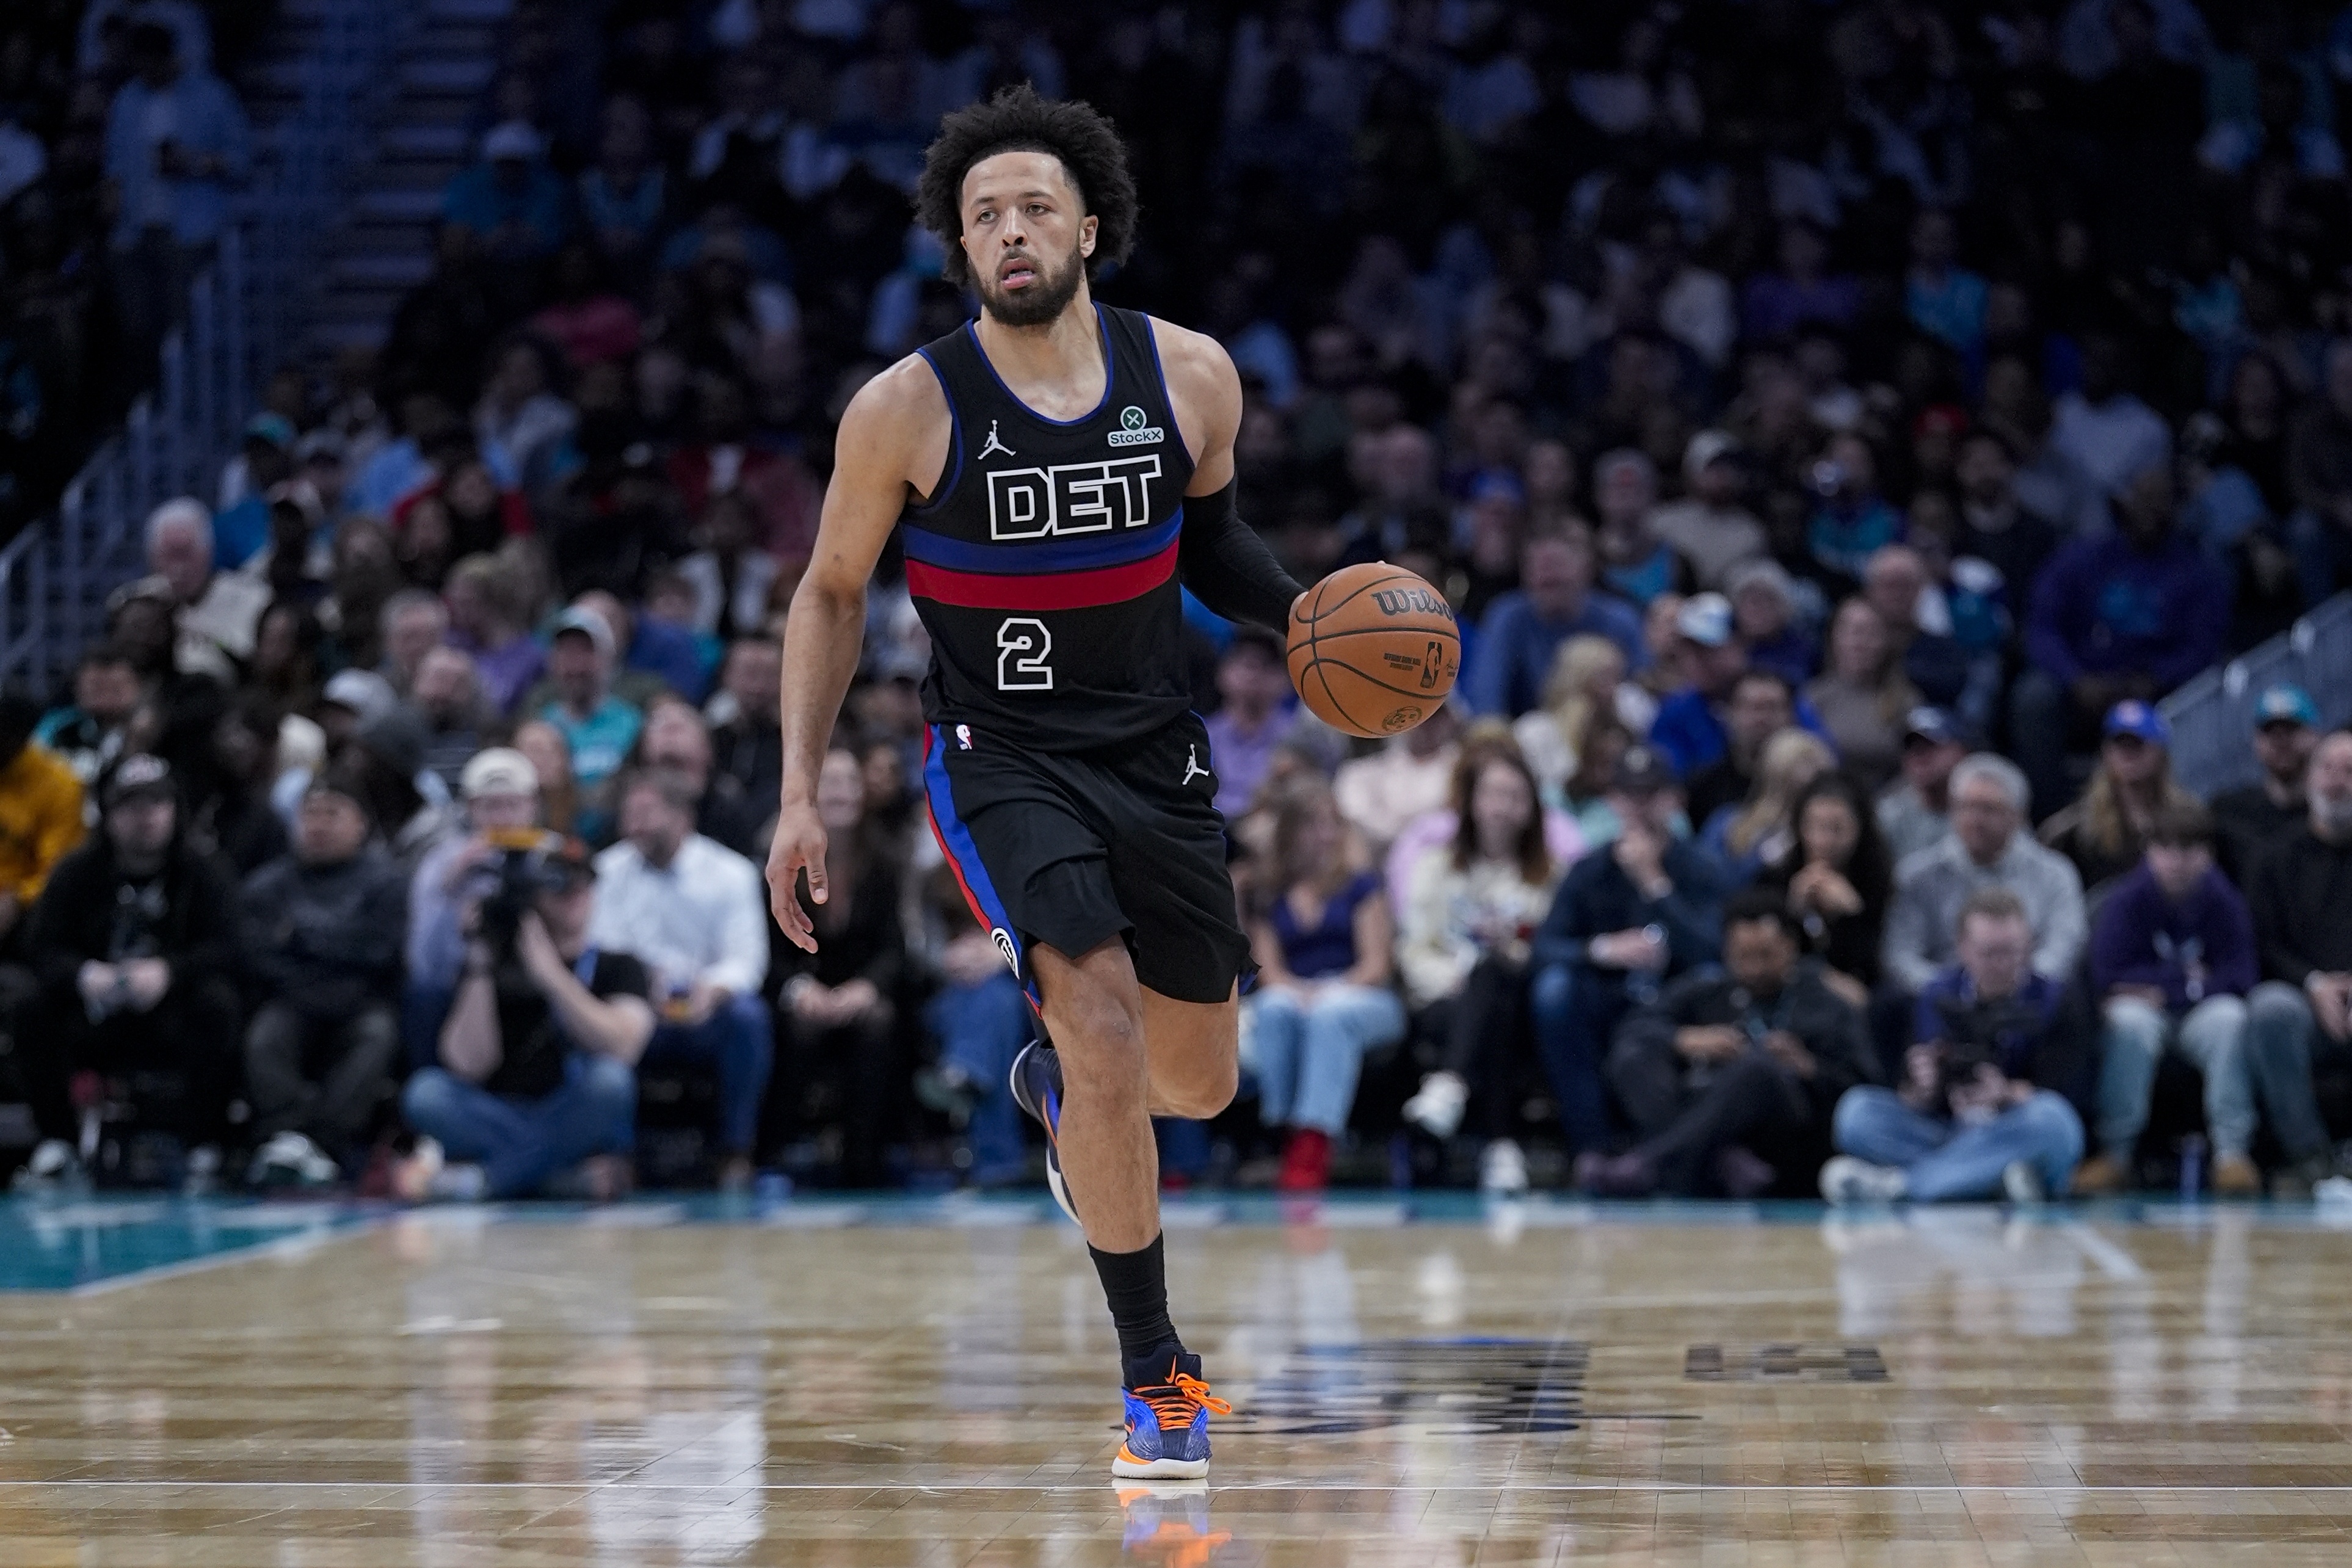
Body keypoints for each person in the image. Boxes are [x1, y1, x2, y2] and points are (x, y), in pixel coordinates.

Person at [766, 87, 1314, 1477]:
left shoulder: (1189, 374)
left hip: (1153, 749)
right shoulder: (905, 407)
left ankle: (1059, 1092)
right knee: (1105, 1028)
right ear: (960, 248)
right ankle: (1156, 1378)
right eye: (983, 216)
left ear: (1088, 228)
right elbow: (830, 591)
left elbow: (1212, 543)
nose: (1009, 231)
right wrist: (796, 792)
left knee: (1198, 1083)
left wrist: (1306, 618)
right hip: (1001, 757)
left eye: (1032, 208)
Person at [9, 757, 241, 1191]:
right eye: (131, 807)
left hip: (172, 1009)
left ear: (174, 811)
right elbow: (41, 946)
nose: (144, 818)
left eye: (156, 805)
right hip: (95, 1008)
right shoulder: (75, 872)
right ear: (109, 816)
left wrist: (170, 972)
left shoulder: (205, 871)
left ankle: (203, 1142)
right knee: (30, 1007)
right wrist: (82, 975)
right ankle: (59, 1141)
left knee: (219, 1004)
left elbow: (229, 947)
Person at [396, 836, 656, 1202]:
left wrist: (552, 976)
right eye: (559, 885)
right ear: (534, 896)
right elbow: (467, 1064)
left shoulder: (620, 966)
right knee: (426, 1093)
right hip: (499, 1111)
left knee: (611, 1083)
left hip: (570, 1109)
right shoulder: (494, 963)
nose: (575, 895)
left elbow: (624, 1047)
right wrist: (481, 959)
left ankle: (489, 1180)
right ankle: (556, 1179)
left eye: (584, 885)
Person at [1580, 890, 1876, 1197]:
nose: (1755, 969)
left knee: (1757, 1069)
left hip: (1788, 1131)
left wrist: (1808, 1067)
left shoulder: (1827, 1005)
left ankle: (1651, 1166)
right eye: (1743, 957)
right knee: (1635, 1057)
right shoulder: (1706, 991)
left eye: (1765, 955)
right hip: (1703, 1106)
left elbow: (1865, 1088)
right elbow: (1635, 1028)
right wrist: (1683, 1039)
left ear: (1791, 947)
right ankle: (1717, 1162)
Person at [1823, 889, 2089, 1203]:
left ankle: (1903, 1185)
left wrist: (2004, 1093)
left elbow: (2066, 1094)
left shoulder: (2057, 1001)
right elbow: (1912, 1092)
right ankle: (1987, 1179)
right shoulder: (1936, 996)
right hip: (1945, 1127)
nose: (2002, 964)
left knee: (2056, 1124)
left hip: (2012, 1126)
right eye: (1989, 953)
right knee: (1856, 1113)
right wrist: (1921, 1086)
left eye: (2012, 952)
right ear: (1963, 948)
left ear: (2029, 947)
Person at [1530, 745, 1727, 1159]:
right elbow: (1544, 948)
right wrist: (1601, 950)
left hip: (1677, 999)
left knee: (1713, 984)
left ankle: (1693, 1154)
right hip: (1608, 994)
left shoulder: (1701, 867)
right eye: (1629, 795)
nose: (1639, 807)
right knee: (1555, 991)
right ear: (1613, 801)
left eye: (1650, 794)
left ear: (1674, 799)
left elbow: (1715, 952)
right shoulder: (1591, 870)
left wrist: (1655, 886)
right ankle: (1592, 1148)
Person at [2011, 459, 2230, 820]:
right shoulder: (2080, 558)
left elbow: (2202, 647)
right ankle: (2053, 816)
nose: (2151, 510)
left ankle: (2178, 814)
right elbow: (2042, 628)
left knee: (2205, 692)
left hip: (2156, 690)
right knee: (2033, 698)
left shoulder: (2196, 572)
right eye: (2143, 499)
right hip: (2083, 688)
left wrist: (2156, 677)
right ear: (2122, 503)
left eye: (2161, 501)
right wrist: (2074, 678)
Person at [590, 768, 773, 1190]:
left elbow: (747, 960)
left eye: (646, 814)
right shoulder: (607, 871)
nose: (635, 825)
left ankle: (735, 1152)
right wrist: (641, 987)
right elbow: (601, 949)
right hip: (637, 1012)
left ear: (683, 818)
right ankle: (617, 1153)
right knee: (593, 1018)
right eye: (629, 814)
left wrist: (711, 991)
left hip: (705, 1009)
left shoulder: (731, 873)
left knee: (749, 1017)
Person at [2075, 803, 2265, 1197]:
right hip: (2149, 1012)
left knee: (2230, 1019)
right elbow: (2108, 975)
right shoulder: (2126, 900)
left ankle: (2232, 1154)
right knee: (2129, 1024)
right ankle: (2115, 1153)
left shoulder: (2225, 900)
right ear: (2150, 852)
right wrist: (2188, 981)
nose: (2176, 861)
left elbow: (2242, 975)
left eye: (2188, 849)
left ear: (2207, 855)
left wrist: (2170, 988)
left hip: (2200, 1012)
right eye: (2166, 848)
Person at [1396, 749, 1564, 1194]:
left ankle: (1449, 1086)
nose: (1502, 807)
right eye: (1493, 794)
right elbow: (1414, 949)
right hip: (1444, 999)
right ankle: (1502, 1148)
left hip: (1517, 1000)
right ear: (1471, 801)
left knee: (1494, 979)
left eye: (1515, 796)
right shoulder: (1435, 866)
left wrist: (1510, 956)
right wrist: (1452, 980)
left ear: (1532, 808)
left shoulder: (1550, 877)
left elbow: (1551, 952)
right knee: (1486, 1008)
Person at [238, 774, 407, 1187]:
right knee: (264, 1038)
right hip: (292, 1001)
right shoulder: (266, 885)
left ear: (360, 824)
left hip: (359, 1002)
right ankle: (291, 1134)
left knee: (377, 1036)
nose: (319, 825)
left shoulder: (387, 883)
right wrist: (334, 953)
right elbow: (259, 957)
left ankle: (322, 1143)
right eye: (310, 814)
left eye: (332, 814)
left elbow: (381, 954)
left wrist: (301, 942)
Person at [1244, 783, 1404, 1192]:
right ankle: (1283, 1129)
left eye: (1333, 824)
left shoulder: (1361, 885)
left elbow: (1376, 965)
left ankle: (1312, 1144)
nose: (1326, 835)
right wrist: (1301, 992)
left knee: (1330, 1016)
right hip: (1297, 990)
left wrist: (1329, 990)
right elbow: (1268, 970)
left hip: (1363, 995)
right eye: (1314, 825)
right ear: (1290, 832)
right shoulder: (1269, 893)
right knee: (1273, 1008)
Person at [769, 749, 906, 1188]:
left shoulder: (885, 862)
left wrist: (866, 987)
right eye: (830, 783)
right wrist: (799, 987)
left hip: (859, 990)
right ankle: (776, 1156)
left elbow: (895, 948)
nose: (842, 793)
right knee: (798, 1027)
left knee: (879, 1022)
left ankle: (864, 1162)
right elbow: (768, 951)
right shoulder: (779, 861)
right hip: (802, 988)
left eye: (850, 783)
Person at [2240, 727, 2352, 1196]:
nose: (2336, 781)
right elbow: (2260, 945)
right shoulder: (2274, 857)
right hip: (2304, 1005)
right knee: (2270, 1010)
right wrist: (2314, 984)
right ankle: (2310, 1158)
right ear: (2310, 778)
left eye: (2349, 771)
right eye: (2327, 769)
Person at [1882, 754, 2088, 996]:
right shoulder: (1916, 875)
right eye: (1966, 807)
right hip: (1938, 1000)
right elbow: (1900, 955)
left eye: (1989, 809)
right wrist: (1952, 990)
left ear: (2018, 815)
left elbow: (2065, 945)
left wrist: (2018, 986)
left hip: (2031, 1000)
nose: (1976, 820)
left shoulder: (2055, 873)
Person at [1466, 527, 1644, 716]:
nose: (1548, 574)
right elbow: (1485, 692)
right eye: (1538, 567)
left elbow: (1642, 691)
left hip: (1604, 727)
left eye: (1558, 565)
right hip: (1527, 728)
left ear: (1586, 569)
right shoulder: (1508, 617)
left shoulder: (1619, 619)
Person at [1758, 772, 1895, 1007]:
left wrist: (1852, 913)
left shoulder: (1878, 881)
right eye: (1813, 826)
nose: (1822, 841)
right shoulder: (1775, 878)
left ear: (1859, 829)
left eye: (1836, 829)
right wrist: (1793, 910)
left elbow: (1878, 962)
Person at [2037, 701, 2201, 892]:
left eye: (2137, 744)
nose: (2128, 754)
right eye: (2120, 744)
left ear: (2159, 751)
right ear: (2106, 751)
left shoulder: (2190, 819)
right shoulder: (2072, 832)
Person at [537, 604, 644, 837]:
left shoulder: (633, 723)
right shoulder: (541, 728)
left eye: (585, 652)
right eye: (566, 653)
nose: (575, 665)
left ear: (608, 658)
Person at [0, 691, 87, 956]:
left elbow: (57, 871)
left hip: (18, 907)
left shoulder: (59, 784)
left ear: (19, 739)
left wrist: (19, 899)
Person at [2209, 683, 2320, 885]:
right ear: (2256, 742)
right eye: (2270, 732)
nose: (2281, 741)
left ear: (2314, 735)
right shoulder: (2230, 814)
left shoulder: (2334, 813)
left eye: (2290, 730)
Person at [1804, 599, 1917, 793]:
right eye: (1853, 632)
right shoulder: (1812, 698)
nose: (1861, 643)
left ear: (1886, 641)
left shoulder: (1905, 700)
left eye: (1871, 633)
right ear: (1834, 639)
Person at [1697, 728, 1835, 885]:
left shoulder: (1825, 835)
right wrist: (1763, 858)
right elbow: (1708, 880)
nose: (1807, 773)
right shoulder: (1727, 824)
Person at [1683, 669, 1799, 829]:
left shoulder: (1804, 781)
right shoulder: (1703, 786)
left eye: (1772, 707)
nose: (1761, 719)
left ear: (1791, 716)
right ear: (1730, 714)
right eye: (1752, 708)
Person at [1876, 707, 1970, 863]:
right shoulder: (1887, 817)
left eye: (1930, 745)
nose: (1919, 756)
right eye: (1910, 748)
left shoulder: (1985, 813)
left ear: (1961, 751)